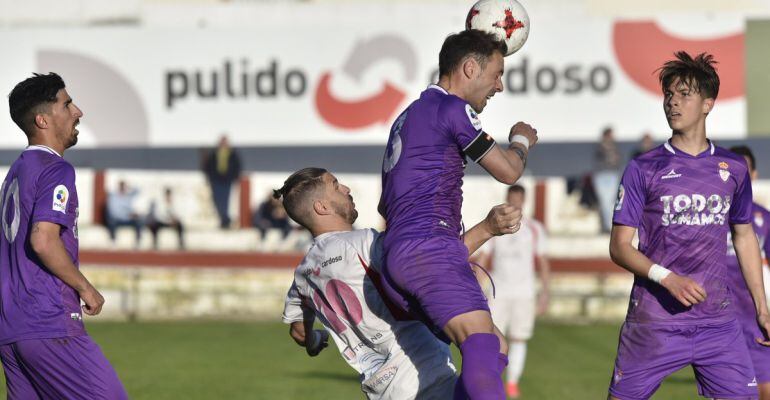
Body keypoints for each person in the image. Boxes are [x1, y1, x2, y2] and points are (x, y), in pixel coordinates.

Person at [378, 29, 538, 399]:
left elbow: (385, 206)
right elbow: (508, 171)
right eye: (497, 74)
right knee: (481, 342)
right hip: (430, 249)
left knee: (495, 346)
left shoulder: (407, 117)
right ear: (469, 68)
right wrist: (521, 140)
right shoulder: (452, 108)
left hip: (401, 253)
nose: (499, 86)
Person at [278, 168, 522, 399]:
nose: (346, 188)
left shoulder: (304, 273)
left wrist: (314, 340)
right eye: (335, 185)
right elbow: (433, 260)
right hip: (423, 375)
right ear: (321, 207)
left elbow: (298, 331)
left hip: (382, 389)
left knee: (494, 345)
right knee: (493, 347)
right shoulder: (366, 243)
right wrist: (487, 229)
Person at [608, 52, 770, 400]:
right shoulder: (643, 168)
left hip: (718, 324)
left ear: (708, 103)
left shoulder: (733, 169)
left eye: (684, 94)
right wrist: (667, 278)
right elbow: (619, 246)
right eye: (669, 94)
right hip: (655, 321)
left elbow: (744, 237)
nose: (672, 102)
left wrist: (762, 307)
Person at [0, 72, 127, 399]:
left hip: (11, 330)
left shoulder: (14, 174)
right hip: (48, 320)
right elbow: (43, 240)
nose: (78, 112)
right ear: (42, 119)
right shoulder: (55, 169)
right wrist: (85, 287)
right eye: (67, 104)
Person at [476, 185, 551, 399]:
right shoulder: (495, 228)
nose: (515, 204)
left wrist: (545, 292)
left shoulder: (534, 229)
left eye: (518, 200)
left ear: (524, 201)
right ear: (506, 200)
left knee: (519, 338)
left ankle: (512, 384)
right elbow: (483, 259)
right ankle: (490, 380)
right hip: (497, 291)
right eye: (512, 200)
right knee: (490, 338)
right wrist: (477, 290)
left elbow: (543, 262)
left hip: (524, 292)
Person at [727, 145, 770, 399]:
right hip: (719, 324)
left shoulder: (764, 219)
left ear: (753, 175)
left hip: (756, 320)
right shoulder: (708, 217)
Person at [203, 134, 242, 229]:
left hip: (227, 181)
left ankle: (225, 221)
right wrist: (210, 178)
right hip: (216, 181)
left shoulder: (233, 154)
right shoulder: (214, 153)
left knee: (224, 201)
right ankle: (225, 219)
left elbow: (237, 167)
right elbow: (208, 167)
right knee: (217, 200)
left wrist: (235, 178)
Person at [593, 126, 622, 233]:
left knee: (609, 201)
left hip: (612, 175)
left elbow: (616, 161)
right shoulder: (600, 147)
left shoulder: (614, 147)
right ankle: (607, 225)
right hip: (601, 175)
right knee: (604, 201)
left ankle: (609, 225)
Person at [105, 180, 142, 247]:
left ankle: (138, 241)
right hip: (118, 219)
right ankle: (113, 241)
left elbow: (138, 190)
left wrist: (129, 186)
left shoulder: (128, 196)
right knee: (111, 221)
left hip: (129, 219)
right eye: (121, 186)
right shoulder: (114, 196)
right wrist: (128, 215)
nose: (122, 188)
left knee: (139, 221)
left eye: (123, 186)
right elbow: (114, 212)